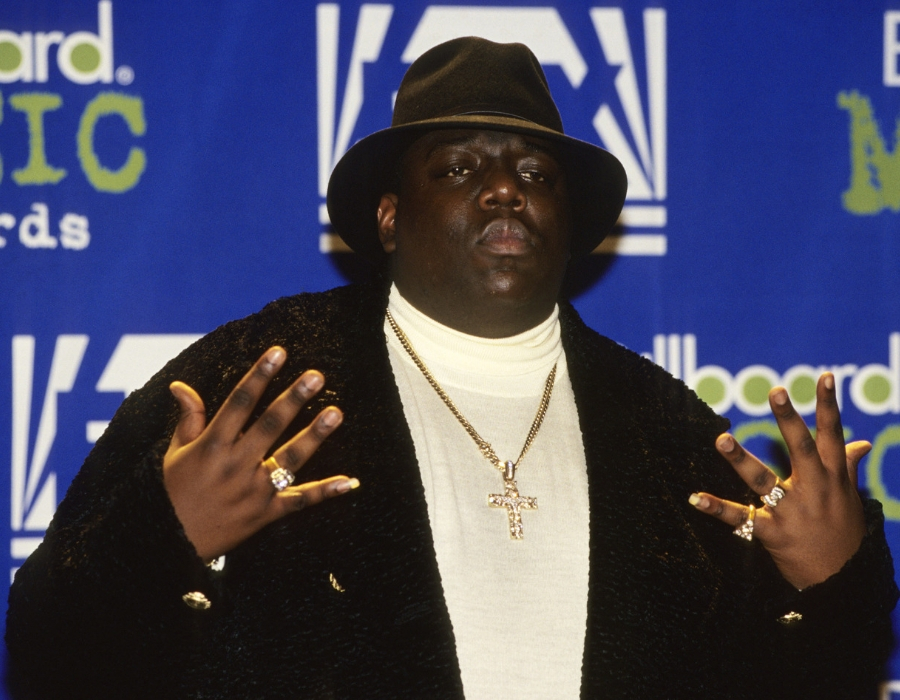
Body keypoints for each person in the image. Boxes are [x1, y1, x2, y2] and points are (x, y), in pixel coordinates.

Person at [5, 37, 898, 699]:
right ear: (390, 217)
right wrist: (163, 541)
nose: (505, 188)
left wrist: (833, 591)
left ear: (569, 222)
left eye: (536, 173)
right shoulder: (258, 382)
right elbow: (48, 650)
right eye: (460, 167)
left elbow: (808, 678)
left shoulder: (670, 435)